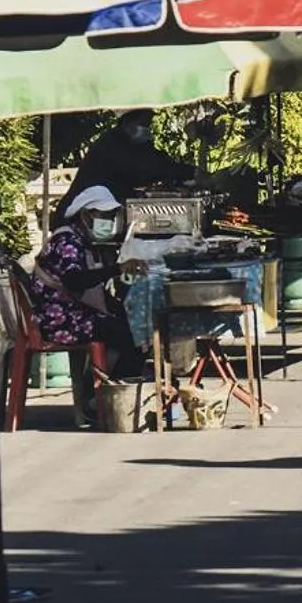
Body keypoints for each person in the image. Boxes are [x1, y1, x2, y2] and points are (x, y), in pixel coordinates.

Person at [27, 186, 144, 419]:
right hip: (59, 320)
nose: (108, 221)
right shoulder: (68, 242)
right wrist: (116, 269)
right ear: (86, 216)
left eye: (111, 216)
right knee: (130, 338)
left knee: (128, 327)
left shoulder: (80, 239)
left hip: (71, 312)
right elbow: (75, 281)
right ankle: (103, 400)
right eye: (103, 216)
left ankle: (101, 391)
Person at [54, 111, 196, 222]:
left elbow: (156, 159)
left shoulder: (132, 142)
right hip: (85, 215)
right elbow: (151, 166)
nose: (148, 129)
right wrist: (192, 173)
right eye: (145, 124)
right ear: (129, 124)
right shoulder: (113, 144)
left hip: (104, 210)